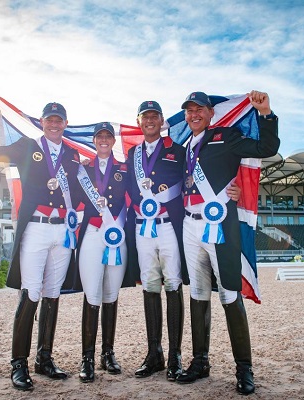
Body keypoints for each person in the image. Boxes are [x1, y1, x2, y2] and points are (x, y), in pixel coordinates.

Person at [126, 101, 241, 382]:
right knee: (150, 286)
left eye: (155, 116)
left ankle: (175, 356)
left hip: (170, 227)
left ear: (162, 121)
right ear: (139, 121)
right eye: (145, 117)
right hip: (143, 229)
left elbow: (196, 179)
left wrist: (232, 187)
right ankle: (155, 353)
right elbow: (127, 188)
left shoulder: (178, 151)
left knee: (173, 284)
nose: (150, 121)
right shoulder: (131, 154)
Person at [176, 90, 280, 395]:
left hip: (220, 224)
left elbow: (266, 147)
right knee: (197, 293)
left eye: (200, 110)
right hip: (189, 225)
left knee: (229, 293)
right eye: (189, 111)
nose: (194, 115)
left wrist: (266, 114)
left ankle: (244, 368)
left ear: (211, 113)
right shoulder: (184, 148)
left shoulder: (227, 136)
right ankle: (200, 362)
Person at [0, 95, 81, 391]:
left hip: (62, 231)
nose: (53, 123)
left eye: (58, 119)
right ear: (42, 123)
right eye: (49, 119)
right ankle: (18, 363)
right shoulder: (28, 147)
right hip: (36, 228)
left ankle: (44, 359)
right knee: (31, 291)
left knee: (52, 293)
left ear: (65, 124)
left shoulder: (73, 156)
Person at [75, 122, 130, 383]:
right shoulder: (83, 169)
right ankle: (87, 357)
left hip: (117, 235)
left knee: (111, 294)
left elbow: (139, 197)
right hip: (93, 234)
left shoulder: (124, 169)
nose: (104, 140)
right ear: (94, 141)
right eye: (100, 137)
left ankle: (108, 353)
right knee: (92, 293)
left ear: (113, 141)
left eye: (108, 136)